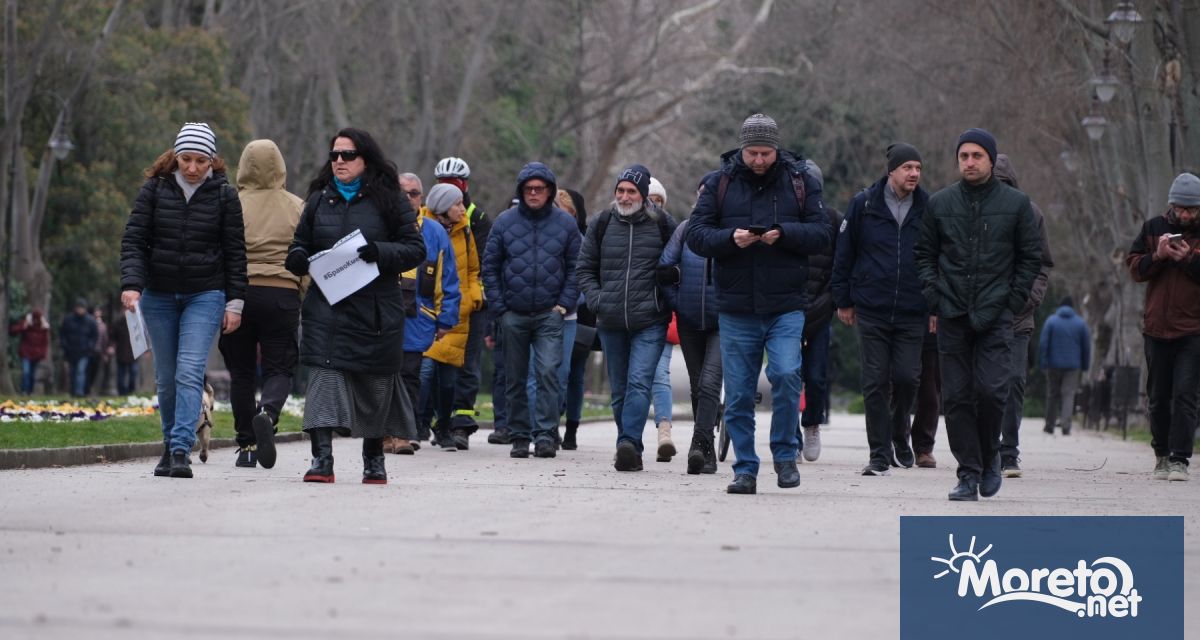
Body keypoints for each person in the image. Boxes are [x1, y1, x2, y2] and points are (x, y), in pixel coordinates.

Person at [687, 113, 830, 494]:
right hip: (736, 305)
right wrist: (730, 239)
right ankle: (745, 467)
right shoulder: (720, 183)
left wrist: (782, 235)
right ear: (742, 148)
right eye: (752, 153)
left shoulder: (801, 183)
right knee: (737, 392)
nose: (759, 160)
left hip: (786, 303)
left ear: (776, 149)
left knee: (785, 376)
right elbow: (696, 235)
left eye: (766, 153)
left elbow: (822, 234)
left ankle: (784, 455)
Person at [285, 127, 426, 485]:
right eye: (334, 155)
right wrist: (299, 258)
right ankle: (322, 459)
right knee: (323, 381)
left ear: (366, 159)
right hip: (326, 310)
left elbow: (415, 248)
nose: (339, 162)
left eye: (347, 155)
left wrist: (380, 252)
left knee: (375, 387)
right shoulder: (319, 199)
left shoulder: (389, 198)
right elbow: (298, 244)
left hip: (375, 310)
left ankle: (374, 460)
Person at [914, 128, 1042, 501]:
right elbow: (924, 254)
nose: (969, 162)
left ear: (990, 159)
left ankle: (991, 459)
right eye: (964, 156)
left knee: (991, 391)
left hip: (996, 314)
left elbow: (1030, 257)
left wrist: (1013, 300)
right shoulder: (940, 204)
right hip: (952, 313)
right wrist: (934, 295)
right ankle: (968, 472)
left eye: (976, 156)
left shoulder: (1016, 205)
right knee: (955, 397)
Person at [121, 122, 247, 479]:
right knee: (166, 376)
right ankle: (168, 445)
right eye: (186, 159)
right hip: (159, 295)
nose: (192, 168)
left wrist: (235, 302)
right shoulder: (154, 191)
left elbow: (235, 253)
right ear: (175, 157)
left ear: (213, 162)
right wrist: (132, 285)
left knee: (190, 370)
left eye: (201, 161)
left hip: (205, 293)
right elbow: (134, 241)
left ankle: (180, 451)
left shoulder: (224, 196)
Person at [832, 143, 929, 476]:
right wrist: (843, 299)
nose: (914, 173)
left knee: (906, 378)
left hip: (913, 310)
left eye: (918, 167)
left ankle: (900, 433)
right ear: (892, 171)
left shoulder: (929, 208)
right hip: (871, 307)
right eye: (907, 168)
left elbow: (938, 259)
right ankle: (878, 452)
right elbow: (844, 253)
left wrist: (936, 306)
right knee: (874, 380)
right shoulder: (864, 204)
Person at [577, 164, 676, 471]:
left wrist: (666, 297)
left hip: (650, 320)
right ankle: (630, 447)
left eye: (631, 191)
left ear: (644, 194)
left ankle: (628, 443)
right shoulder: (602, 223)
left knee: (639, 383)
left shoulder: (662, 224)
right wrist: (597, 300)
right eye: (620, 190)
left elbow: (677, 266)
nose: (624, 195)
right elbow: (584, 268)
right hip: (611, 321)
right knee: (619, 391)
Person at [481, 162, 581, 459]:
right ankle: (520, 436)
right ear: (521, 191)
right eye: (528, 189)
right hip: (513, 314)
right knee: (515, 376)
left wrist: (563, 304)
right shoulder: (504, 222)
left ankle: (546, 434)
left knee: (549, 372)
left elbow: (577, 266)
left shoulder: (565, 224)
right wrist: (500, 308)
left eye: (539, 188)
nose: (534, 193)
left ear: (550, 191)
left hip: (550, 314)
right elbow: (490, 266)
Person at [217, 139, 304, 470]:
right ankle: (267, 412)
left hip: (237, 295)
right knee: (279, 367)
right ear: (280, 167)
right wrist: (300, 288)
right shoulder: (297, 206)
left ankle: (247, 444)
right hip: (281, 294)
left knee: (240, 372)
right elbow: (307, 254)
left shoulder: (230, 204)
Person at [1125, 171, 1200, 482]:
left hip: (1193, 329)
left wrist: (1188, 260)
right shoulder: (1153, 228)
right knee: (1157, 396)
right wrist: (1158, 255)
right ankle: (1161, 455)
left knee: (1185, 395)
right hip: (1156, 327)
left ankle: (1180, 459)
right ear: (1171, 205)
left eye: (1191, 209)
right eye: (1180, 208)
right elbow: (1135, 269)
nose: (1185, 214)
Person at [994, 154, 1055, 478]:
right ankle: (986, 448)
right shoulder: (975, 211)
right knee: (984, 386)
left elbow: (1044, 262)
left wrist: (1031, 297)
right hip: (982, 314)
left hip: (1019, 316)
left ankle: (1009, 452)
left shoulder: (1031, 214)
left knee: (1014, 381)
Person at [393, 173, 459, 455]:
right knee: (382, 375)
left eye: (413, 193)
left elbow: (449, 279)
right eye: (402, 192)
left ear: (422, 198)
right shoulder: (380, 225)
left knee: (410, 375)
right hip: (380, 315)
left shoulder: (435, 232)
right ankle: (383, 432)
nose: (408, 197)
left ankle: (403, 433)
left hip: (418, 317)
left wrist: (446, 318)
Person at [660, 181, 721, 474]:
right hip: (689, 321)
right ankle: (706, 444)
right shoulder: (685, 230)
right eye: (701, 194)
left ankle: (699, 445)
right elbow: (665, 268)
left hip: (724, 322)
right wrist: (678, 303)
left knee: (710, 383)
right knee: (699, 386)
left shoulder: (734, 232)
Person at [434, 157, 494, 441]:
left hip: (470, 303)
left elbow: (483, 262)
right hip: (437, 301)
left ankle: (462, 424)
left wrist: (475, 296)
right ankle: (437, 419)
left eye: (454, 185)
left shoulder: (477, 219)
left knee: (468, 364)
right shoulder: (428, 217)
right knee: (436, 362)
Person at [422, 183, 482, 451]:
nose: (462, 208)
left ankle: (443, 425)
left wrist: (473, 296)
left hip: (457, 311)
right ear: (444, 207)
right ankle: (417, 423)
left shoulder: (466, 230)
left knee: (448, 380)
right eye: (457, 204)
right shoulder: (422, 227)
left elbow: (472, 269)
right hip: (428, 310)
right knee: (424, 372)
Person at [798, 160, 839, 463]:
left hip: (821, 311)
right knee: (786, 375)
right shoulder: (783, 218)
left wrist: (830, 302)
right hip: (786, 309)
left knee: (815, 375)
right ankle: (789, 433)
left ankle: (811, 423)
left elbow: (842, 266)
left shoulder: (833, 220)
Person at [648, 177, 676, 459]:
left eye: (657, 200)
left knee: (659, 373)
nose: (651, 205)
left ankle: (664, 429)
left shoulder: (671, 231)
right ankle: (629, 437)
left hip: (660, 312)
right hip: (627, 313)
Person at [1038, 296, 1090, 437]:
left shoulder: (1051, 321)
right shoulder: (1080, 323)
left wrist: (1043, 363)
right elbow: (1086, 347)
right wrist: (1085, 366)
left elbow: (1043, 344)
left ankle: (1049, 425)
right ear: (1073, 307)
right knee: (1068, 394)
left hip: (1053, 364)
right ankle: (1066, 426)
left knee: (1052, 394)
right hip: (1073, 366)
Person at [910, 325, 940, 468]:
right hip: (898, 323)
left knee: (931, 395)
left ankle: (924, 447)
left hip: (931, 331)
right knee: (901, 387)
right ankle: (897, 441)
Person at [60, 299, 98, 397]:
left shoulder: (90, 321)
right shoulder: (68, 320)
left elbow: (95, 336)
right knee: (72, 372)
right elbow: (63, 334)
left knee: (80, 371)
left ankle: (79, 392)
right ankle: (73, 391)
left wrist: (90, 346)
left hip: (84, 351)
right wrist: (65, 346)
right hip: (71, 351)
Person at [10, 308, 50, 394]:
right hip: (26, 353)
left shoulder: (43, 329)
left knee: (32, 374)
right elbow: (13, 331)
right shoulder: (26, 325)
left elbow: (45, 343)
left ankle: (29, 391)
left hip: (37, 354)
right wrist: (24, 326)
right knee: (26, 372)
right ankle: (24, 390)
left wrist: (43, 354)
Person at [109, 311, 138, 395]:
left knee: (133, 373)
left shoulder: (136, 322)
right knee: (121, 374)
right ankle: (122, 392)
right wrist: (111, 346)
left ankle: (130, 390)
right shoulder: (118, 323)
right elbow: (112, 337)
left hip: (133, 354)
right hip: (121, 353)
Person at [86, 307, 112, 395]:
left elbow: (105, 340)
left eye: (99, 311)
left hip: (98, 351)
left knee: (95, 371)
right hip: (89, 350)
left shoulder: (103, 325)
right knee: (87, 371)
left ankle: (94, 389)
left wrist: (105, 353)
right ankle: (86, 388)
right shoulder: (88, 323)